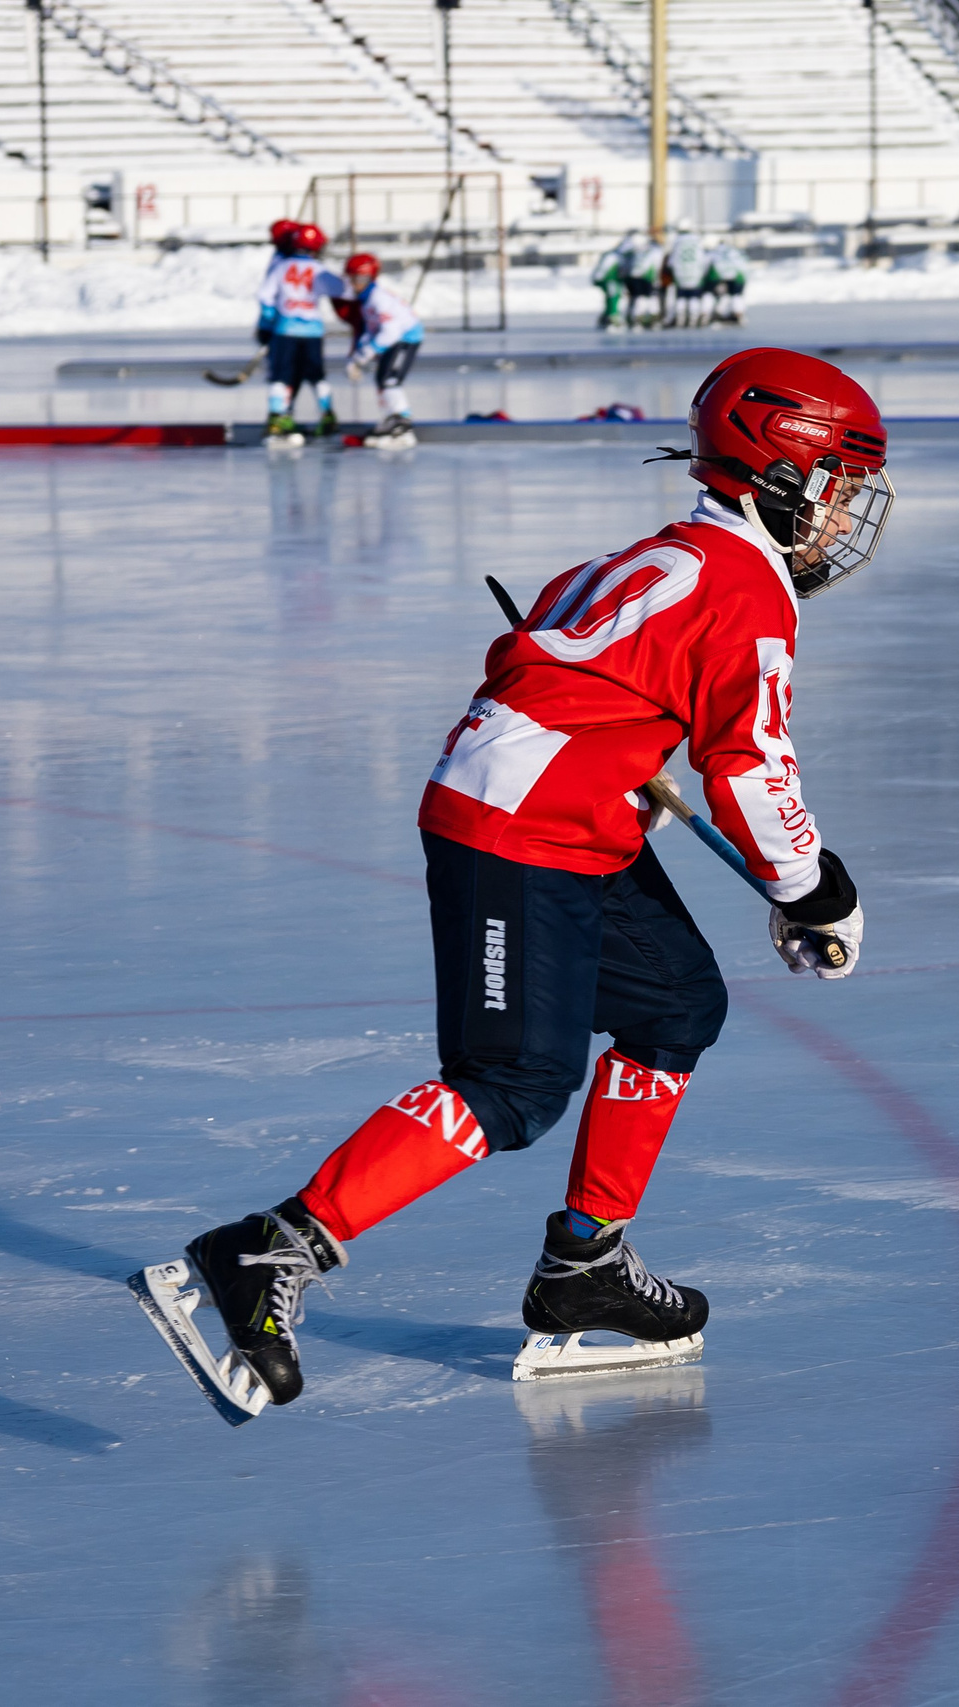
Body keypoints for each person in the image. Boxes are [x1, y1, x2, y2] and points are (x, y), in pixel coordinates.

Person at [132, 348, 896, 1422]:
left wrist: (616, 750)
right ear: (780, 476)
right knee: (514, 1084)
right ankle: (270, 1251)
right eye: (837, 489)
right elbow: (751, 769)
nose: (841, 517)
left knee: (675, 1002)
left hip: (575, 817)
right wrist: (814, 889)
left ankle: (585, 1261)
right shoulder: (749, 597)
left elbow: (532, 647)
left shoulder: (673, 553)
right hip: (518, 828)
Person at [256, 221, 338, 442]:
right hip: (313, 332)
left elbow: (265, 296)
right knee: (316, 376)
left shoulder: (281, 265)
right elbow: (342, 289)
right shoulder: (318, 269)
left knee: (281, 375)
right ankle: (327, 415)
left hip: (286, 330)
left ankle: (277, 417)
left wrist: (267, 324)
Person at [338, 251, 424, 447]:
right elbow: (372, 329)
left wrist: (364, 355)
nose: (354, 283)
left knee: (389, 379)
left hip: (406, 337)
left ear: (371, 277)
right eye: (351, 278)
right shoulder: (367, 299)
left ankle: (402, 423)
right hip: (396, 338)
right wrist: (357, 356)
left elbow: (390, 332)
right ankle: (394, 418)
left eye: (359, 278)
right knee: (382, 379)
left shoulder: (378, 298)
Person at [667, 223, 709, 328]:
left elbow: (671, 262)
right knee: (694, 297)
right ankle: (693, 319)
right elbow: (703, 259)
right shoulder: (697, 242)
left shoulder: (676, 242)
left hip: (680, 274)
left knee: (681, 297)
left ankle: (680, 318)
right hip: (695, 274)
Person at [707, 236, 748, 326]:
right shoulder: (733, 251)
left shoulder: (716, 251)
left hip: (723, 277)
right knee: (736, 296)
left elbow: (710, 261)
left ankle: (719, 314)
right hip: (738, 276)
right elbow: (742, 262)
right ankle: (738, 314)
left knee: (724, 296)